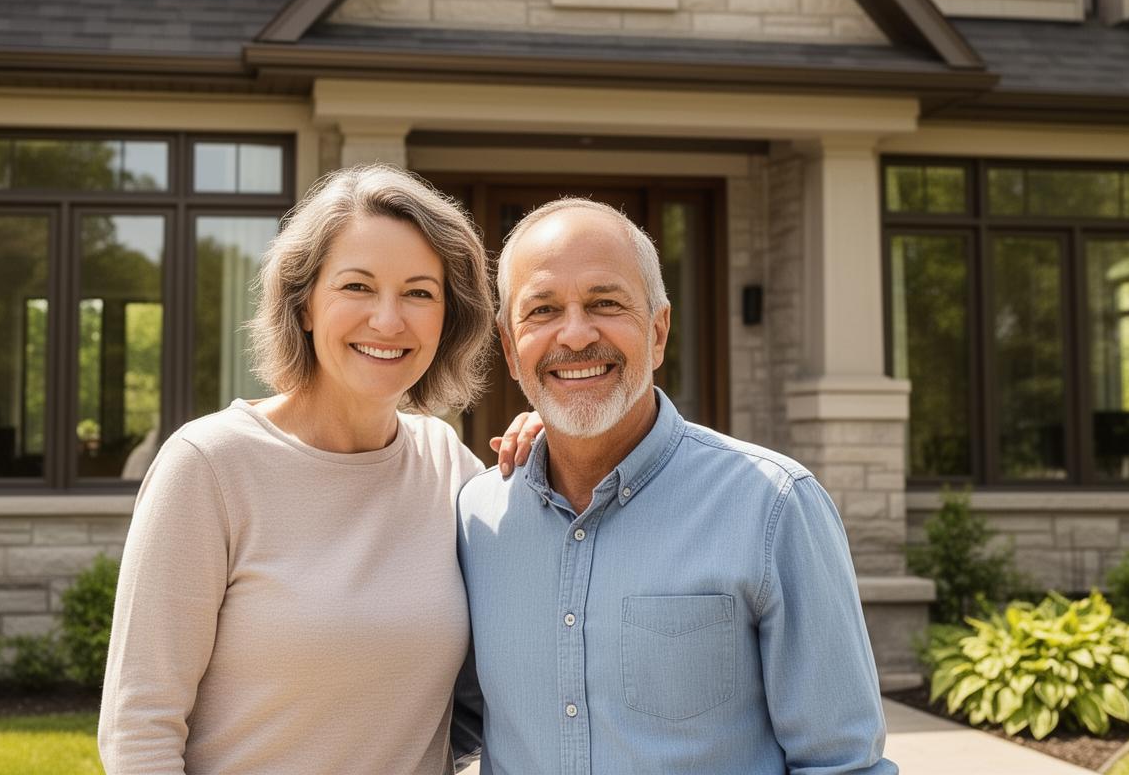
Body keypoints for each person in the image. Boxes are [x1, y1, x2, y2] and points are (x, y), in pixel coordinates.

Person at [99, 164, 538, 775]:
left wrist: (554, 449)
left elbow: (529, 637)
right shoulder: (208, 467)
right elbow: (139, 731)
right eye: (357, 287)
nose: (388, 321)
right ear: (303, 304)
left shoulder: (447, 465)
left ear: (448, 319)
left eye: (419, 292)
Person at [456, 198, 898, 774]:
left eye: (605, 303)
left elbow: (842, 763)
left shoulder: (774, 505)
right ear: (511, 349)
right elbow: (441, 723)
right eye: (542, 310)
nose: (575, 333)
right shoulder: (477, 518)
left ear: (658, 330)